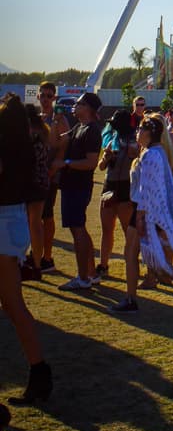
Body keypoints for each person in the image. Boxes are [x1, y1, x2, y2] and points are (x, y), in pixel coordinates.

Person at [109, 113, 173, 313]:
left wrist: (140, 217)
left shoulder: (150, 155)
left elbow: (147, 189)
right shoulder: (157, 152)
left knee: (133, 253)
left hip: (145, 212)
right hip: (151, 212)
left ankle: (132, 298)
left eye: (140, 129)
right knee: (151, 254)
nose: (137, 133)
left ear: (149, 133)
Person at [0, 93, 52, 408]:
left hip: (4, 222)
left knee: (14, 305)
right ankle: (39, 372)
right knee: (13, 304)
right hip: (13, 219)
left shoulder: (6, 147)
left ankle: (39, 372)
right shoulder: (25, 146)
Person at [52, 91, 102, 290]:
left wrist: (66, 163)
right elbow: (60, 139)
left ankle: (82, 277)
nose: (75, 105)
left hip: (78, 186)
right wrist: (56, 122)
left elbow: (91, 163)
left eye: (80, 103)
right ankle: (90, 273)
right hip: (72, 185)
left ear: (88, 108)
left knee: (77, 229)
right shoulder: (78, 127)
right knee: (79, 228)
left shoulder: (91, 131)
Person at [34, 81, 69, 274]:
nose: (46, 99)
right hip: (35, 175)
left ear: (54, 98)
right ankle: (37, 254)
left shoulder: (59, 119)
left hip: (50, 175)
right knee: (34, 217)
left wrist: (54, 169)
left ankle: (47, 257)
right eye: (43, 95)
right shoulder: (36, 119)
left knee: (46, 216)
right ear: (38, 96)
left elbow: (63, 145)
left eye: (50, 95)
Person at [96, 109, 136, 278]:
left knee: (128, 231)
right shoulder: (112, 140)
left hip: (125, 188)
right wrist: (106, 158)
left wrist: (129, 155)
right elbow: (101, 166)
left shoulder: (134, 142)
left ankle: (131, 264)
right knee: (107, 229)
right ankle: (103, 265)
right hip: (109, 185)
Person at [20, 106, 50, 282]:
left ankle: (23, 261)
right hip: (41, 182)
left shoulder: (29, 136)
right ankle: (37, 264)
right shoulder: (43, 133)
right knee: (36, 224)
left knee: (26, 224)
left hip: (29, 183)